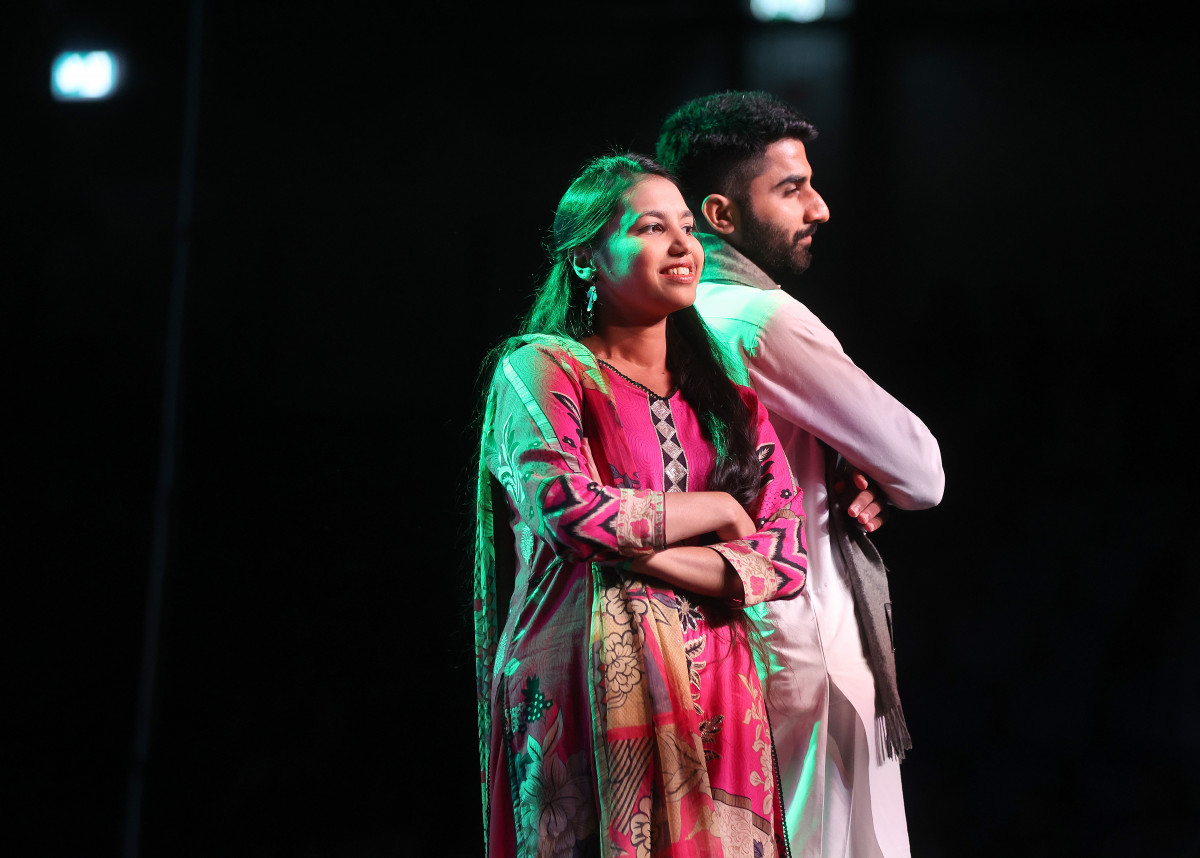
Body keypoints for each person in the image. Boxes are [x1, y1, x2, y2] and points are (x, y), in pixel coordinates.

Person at [473, 153, 813, 857]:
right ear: (584, 259)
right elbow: (568, 512)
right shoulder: (540, 369)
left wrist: (633, 555)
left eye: (687, 227)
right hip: (584, 685)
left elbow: (784, 557)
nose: (683, 245)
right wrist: (717, 510)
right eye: (652, 228)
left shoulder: (729, 401)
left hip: (717, 691)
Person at [656, 91, 946, 857]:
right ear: (720, 214)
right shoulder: (762, 318)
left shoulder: (671, 316)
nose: (819, 208)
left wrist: (838, 460)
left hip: (717, 646)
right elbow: (920, 471)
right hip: (805, 644)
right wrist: (864, 463)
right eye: (791, 190)